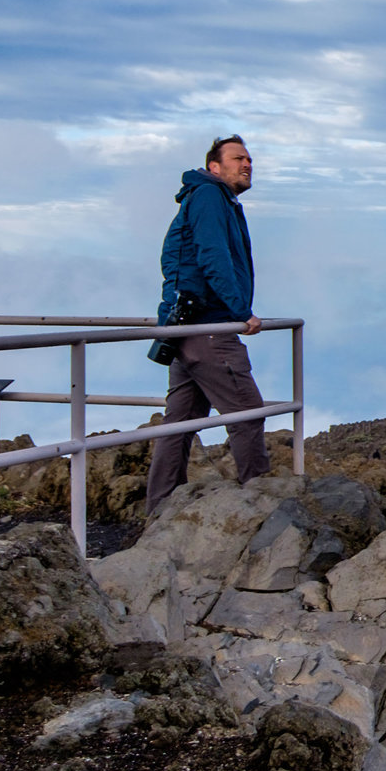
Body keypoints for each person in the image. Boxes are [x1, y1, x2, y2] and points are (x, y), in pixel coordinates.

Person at [145, 135, 269, 514]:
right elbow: (213, 255)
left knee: (179, 424)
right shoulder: (211, 197)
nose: (246, 164)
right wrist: (239, 311)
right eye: (237, 158)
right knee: (248, 414)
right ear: (214, 167)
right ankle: (265, 507)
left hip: (189, 330)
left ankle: (160, 511)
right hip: (210, 329)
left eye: (249, 159)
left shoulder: (212, 198)